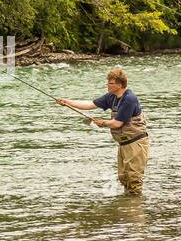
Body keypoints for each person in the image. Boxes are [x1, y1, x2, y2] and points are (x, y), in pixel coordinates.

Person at [56, 67, 150, 195]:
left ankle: (135, 210)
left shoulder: (129, 98)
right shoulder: (112, 96)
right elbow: (90, 104)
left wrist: (103, 123)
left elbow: (117, 123)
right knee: (124, 178)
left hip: (136, 144)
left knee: (134, 180)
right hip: (123, 144)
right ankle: (128, 208)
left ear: (120, 84)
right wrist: (67, 102)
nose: (107, 85)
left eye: (110, 83)